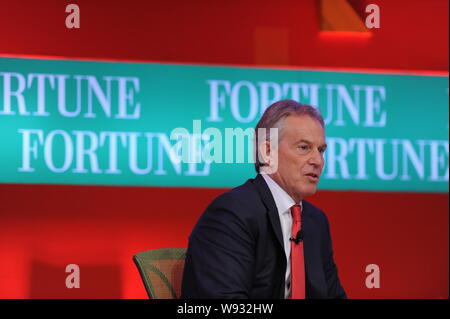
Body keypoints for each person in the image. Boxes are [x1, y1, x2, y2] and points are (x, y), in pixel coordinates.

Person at [181, 99, 346, 299]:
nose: (317, 161)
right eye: (304, 148)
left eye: (321, 150)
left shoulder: (315, 221)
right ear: (268, 152)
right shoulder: (231, 214)